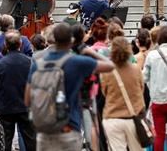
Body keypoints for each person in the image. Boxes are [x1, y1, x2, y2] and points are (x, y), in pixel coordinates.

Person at [25, 23, 114, 151]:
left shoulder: (38, 62)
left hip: (44, 131)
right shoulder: (76, 62)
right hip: (68, 128)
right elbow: (110, 66)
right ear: (71, 40)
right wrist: (87, 50)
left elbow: (27, 99)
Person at [100, 36, 145, 151]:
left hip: (112, 117)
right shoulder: (136, 70)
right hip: (133, 117)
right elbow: (141, 89)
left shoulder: (106, 71)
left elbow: (104, 92)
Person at [0, 31, 36, 151]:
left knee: (5, 140)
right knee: (30, 140)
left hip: (5, 106)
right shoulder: (29, 62)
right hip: (25, 105)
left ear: (6, 45)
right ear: (20, 44)